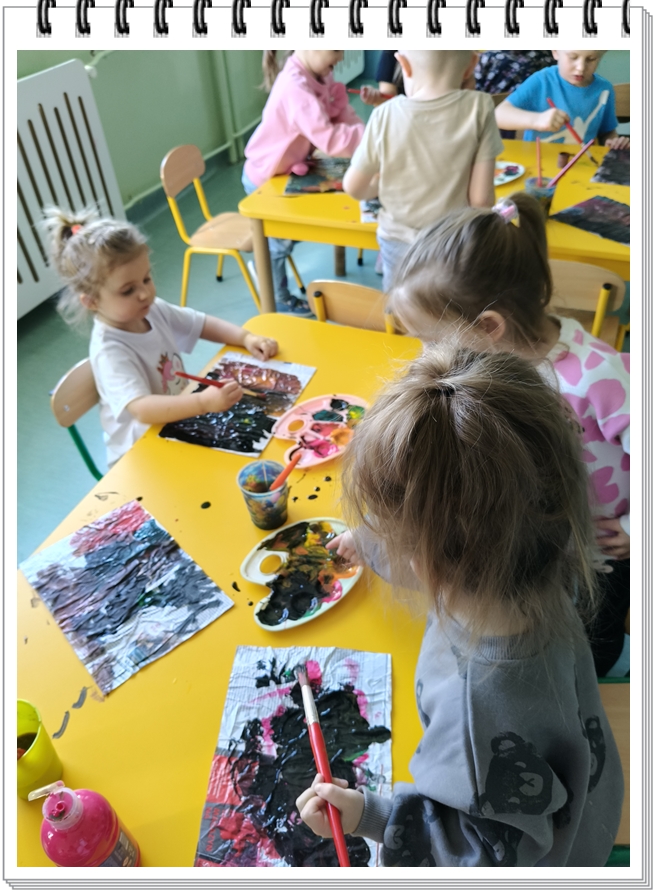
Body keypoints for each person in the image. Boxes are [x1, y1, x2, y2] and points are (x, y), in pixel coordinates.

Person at [296, 343, 624, 866]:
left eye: (388, 530)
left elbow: (478, 858)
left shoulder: (479, 718)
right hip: (588, 794)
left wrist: (370, 816)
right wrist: (372, 540)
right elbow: (466, 523)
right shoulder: (536, 558)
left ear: (429, 557)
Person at [385, 192, 630, 677]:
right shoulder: (491, 361)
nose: (426, 355)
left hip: (602, 546)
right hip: (543, 535)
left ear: (488, 326)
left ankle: (608, 675)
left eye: (432, 340)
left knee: (593, 638)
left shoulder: (597, 376)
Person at [45, 207, 278, 468]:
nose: (144, 293)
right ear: (91, 301)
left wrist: (245, 338)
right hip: (140, 454)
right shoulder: (110, 352)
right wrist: (202, 402)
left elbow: (200, 323)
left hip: (175, 419)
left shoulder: (151, 310)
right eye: (128, 290)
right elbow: (142, 409)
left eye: (146, 278)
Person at [343, 50, 504, 291]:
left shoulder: (384, 114)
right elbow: (481, 201)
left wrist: (378, 184)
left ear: (403, 65)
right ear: (472, 65)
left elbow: (354, 187)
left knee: (399, 304)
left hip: (397, 241)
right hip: (452, 242)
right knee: (446, 307)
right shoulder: (479, 107)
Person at [243, 51, 365, 315]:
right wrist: (370, 138)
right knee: (279, 244)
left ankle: (266, 258)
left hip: (288, 170)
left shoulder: (320, 73)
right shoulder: (294, 86)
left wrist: (363, 131)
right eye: (336, 48)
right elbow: (330, 140)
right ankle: (276, 294)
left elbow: (341, 113)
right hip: (265, 176)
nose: (341, 57)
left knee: (291, 234)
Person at [495, 50, 630, 148]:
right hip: (538, 165)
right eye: (572, 57)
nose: (581, 68)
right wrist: (537, 120)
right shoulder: (541, 80)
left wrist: (613, 143)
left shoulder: (604, 90)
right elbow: (498, 115)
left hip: (581, 166)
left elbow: (607, 132)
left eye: (591, 59)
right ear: (555, 52)